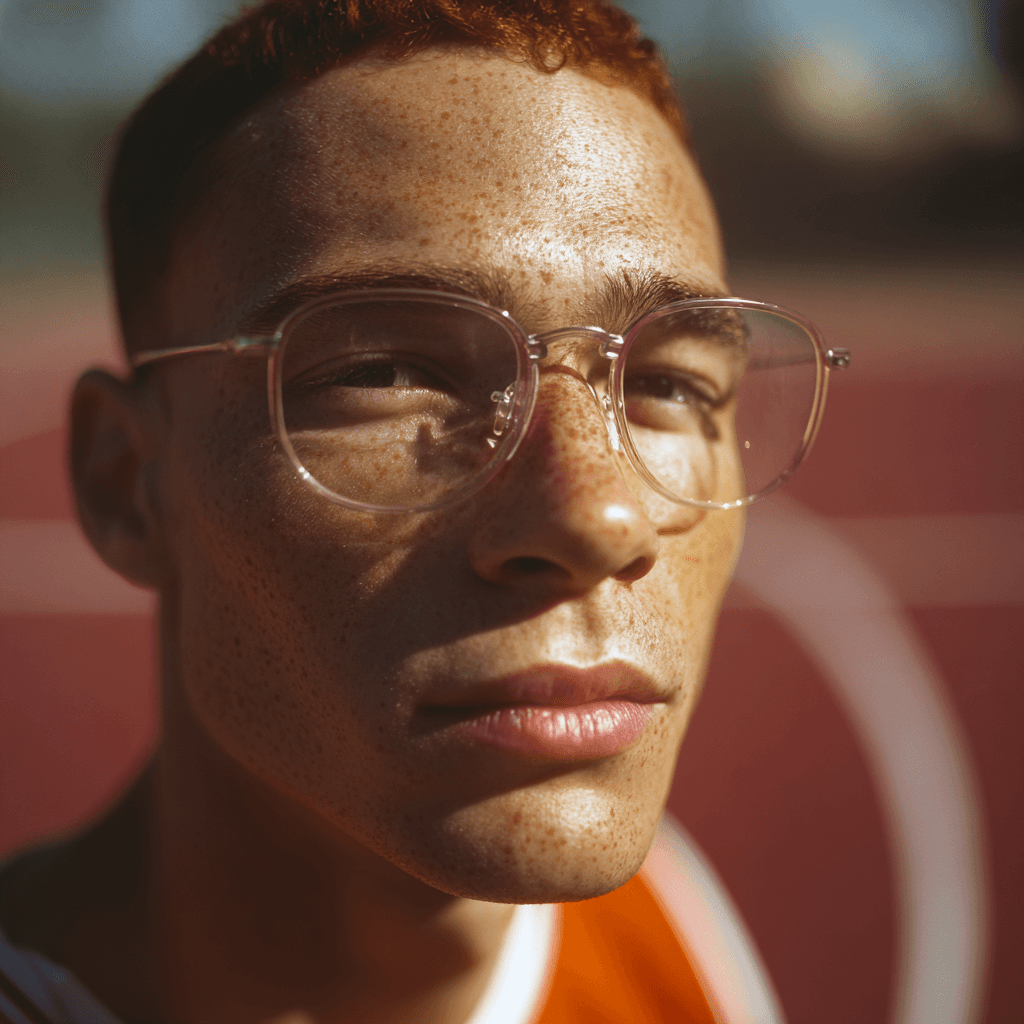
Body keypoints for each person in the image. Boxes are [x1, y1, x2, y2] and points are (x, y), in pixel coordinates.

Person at [0, 1, 848, 1021]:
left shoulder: (675, 929)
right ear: (124, 479)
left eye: (665, 384)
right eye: (389, 369)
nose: (597, 517)